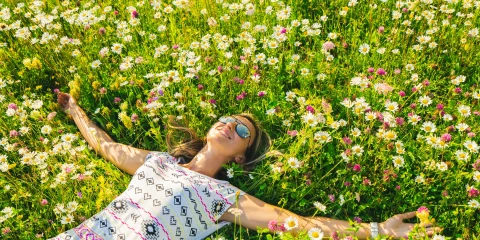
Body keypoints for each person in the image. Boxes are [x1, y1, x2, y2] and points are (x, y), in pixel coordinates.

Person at [50, 92, 439, 240]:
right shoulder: (156, 162)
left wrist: (380, 230)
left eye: (241, 130)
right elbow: (108, 146)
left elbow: (299, 224)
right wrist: (75, 110)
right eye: (227, 118)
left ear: (240, 156)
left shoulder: (222, 197)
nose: (229, 125)